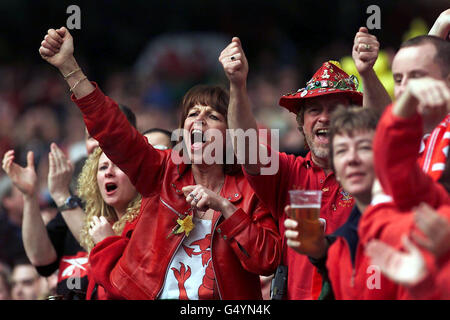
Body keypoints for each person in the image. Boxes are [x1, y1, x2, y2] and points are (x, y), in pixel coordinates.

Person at [39, 26, 281, 300]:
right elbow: (114, 130)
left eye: (213, 116)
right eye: (192, 113)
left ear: (230, 136)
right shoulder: (163, 171)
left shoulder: (250, 190)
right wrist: (69, 67)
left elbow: (267, 260)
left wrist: (224, 208)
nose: (198, 120)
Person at [219, 31, 381, 298]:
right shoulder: (288, 170)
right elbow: (246, 147)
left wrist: (367, 73)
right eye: (315, 110)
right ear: (301, 123)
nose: (325, 118)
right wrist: (237, 85)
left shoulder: (370, 170)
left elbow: (386, 128)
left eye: (336, 109)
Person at [282, 106, 400, 299]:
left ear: (383, 155)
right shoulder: (339, 248)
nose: (351, 159)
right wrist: (321, 252)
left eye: (363, 147)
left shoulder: (412, 220)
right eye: (342, 151)